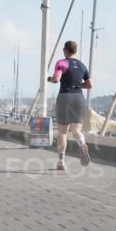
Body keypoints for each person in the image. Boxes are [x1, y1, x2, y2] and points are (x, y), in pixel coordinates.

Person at [46, 40, 92, 171]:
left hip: (65, 96)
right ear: (75, 51)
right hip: (78, 97)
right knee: (76, 131)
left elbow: (56, 79)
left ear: (65, 50)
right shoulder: (82, 66)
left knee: (62, 132)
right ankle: (81, 143)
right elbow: (89, 85)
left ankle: (61, 162)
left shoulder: (62, 63)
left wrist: (49, 79)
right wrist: (78, 85)